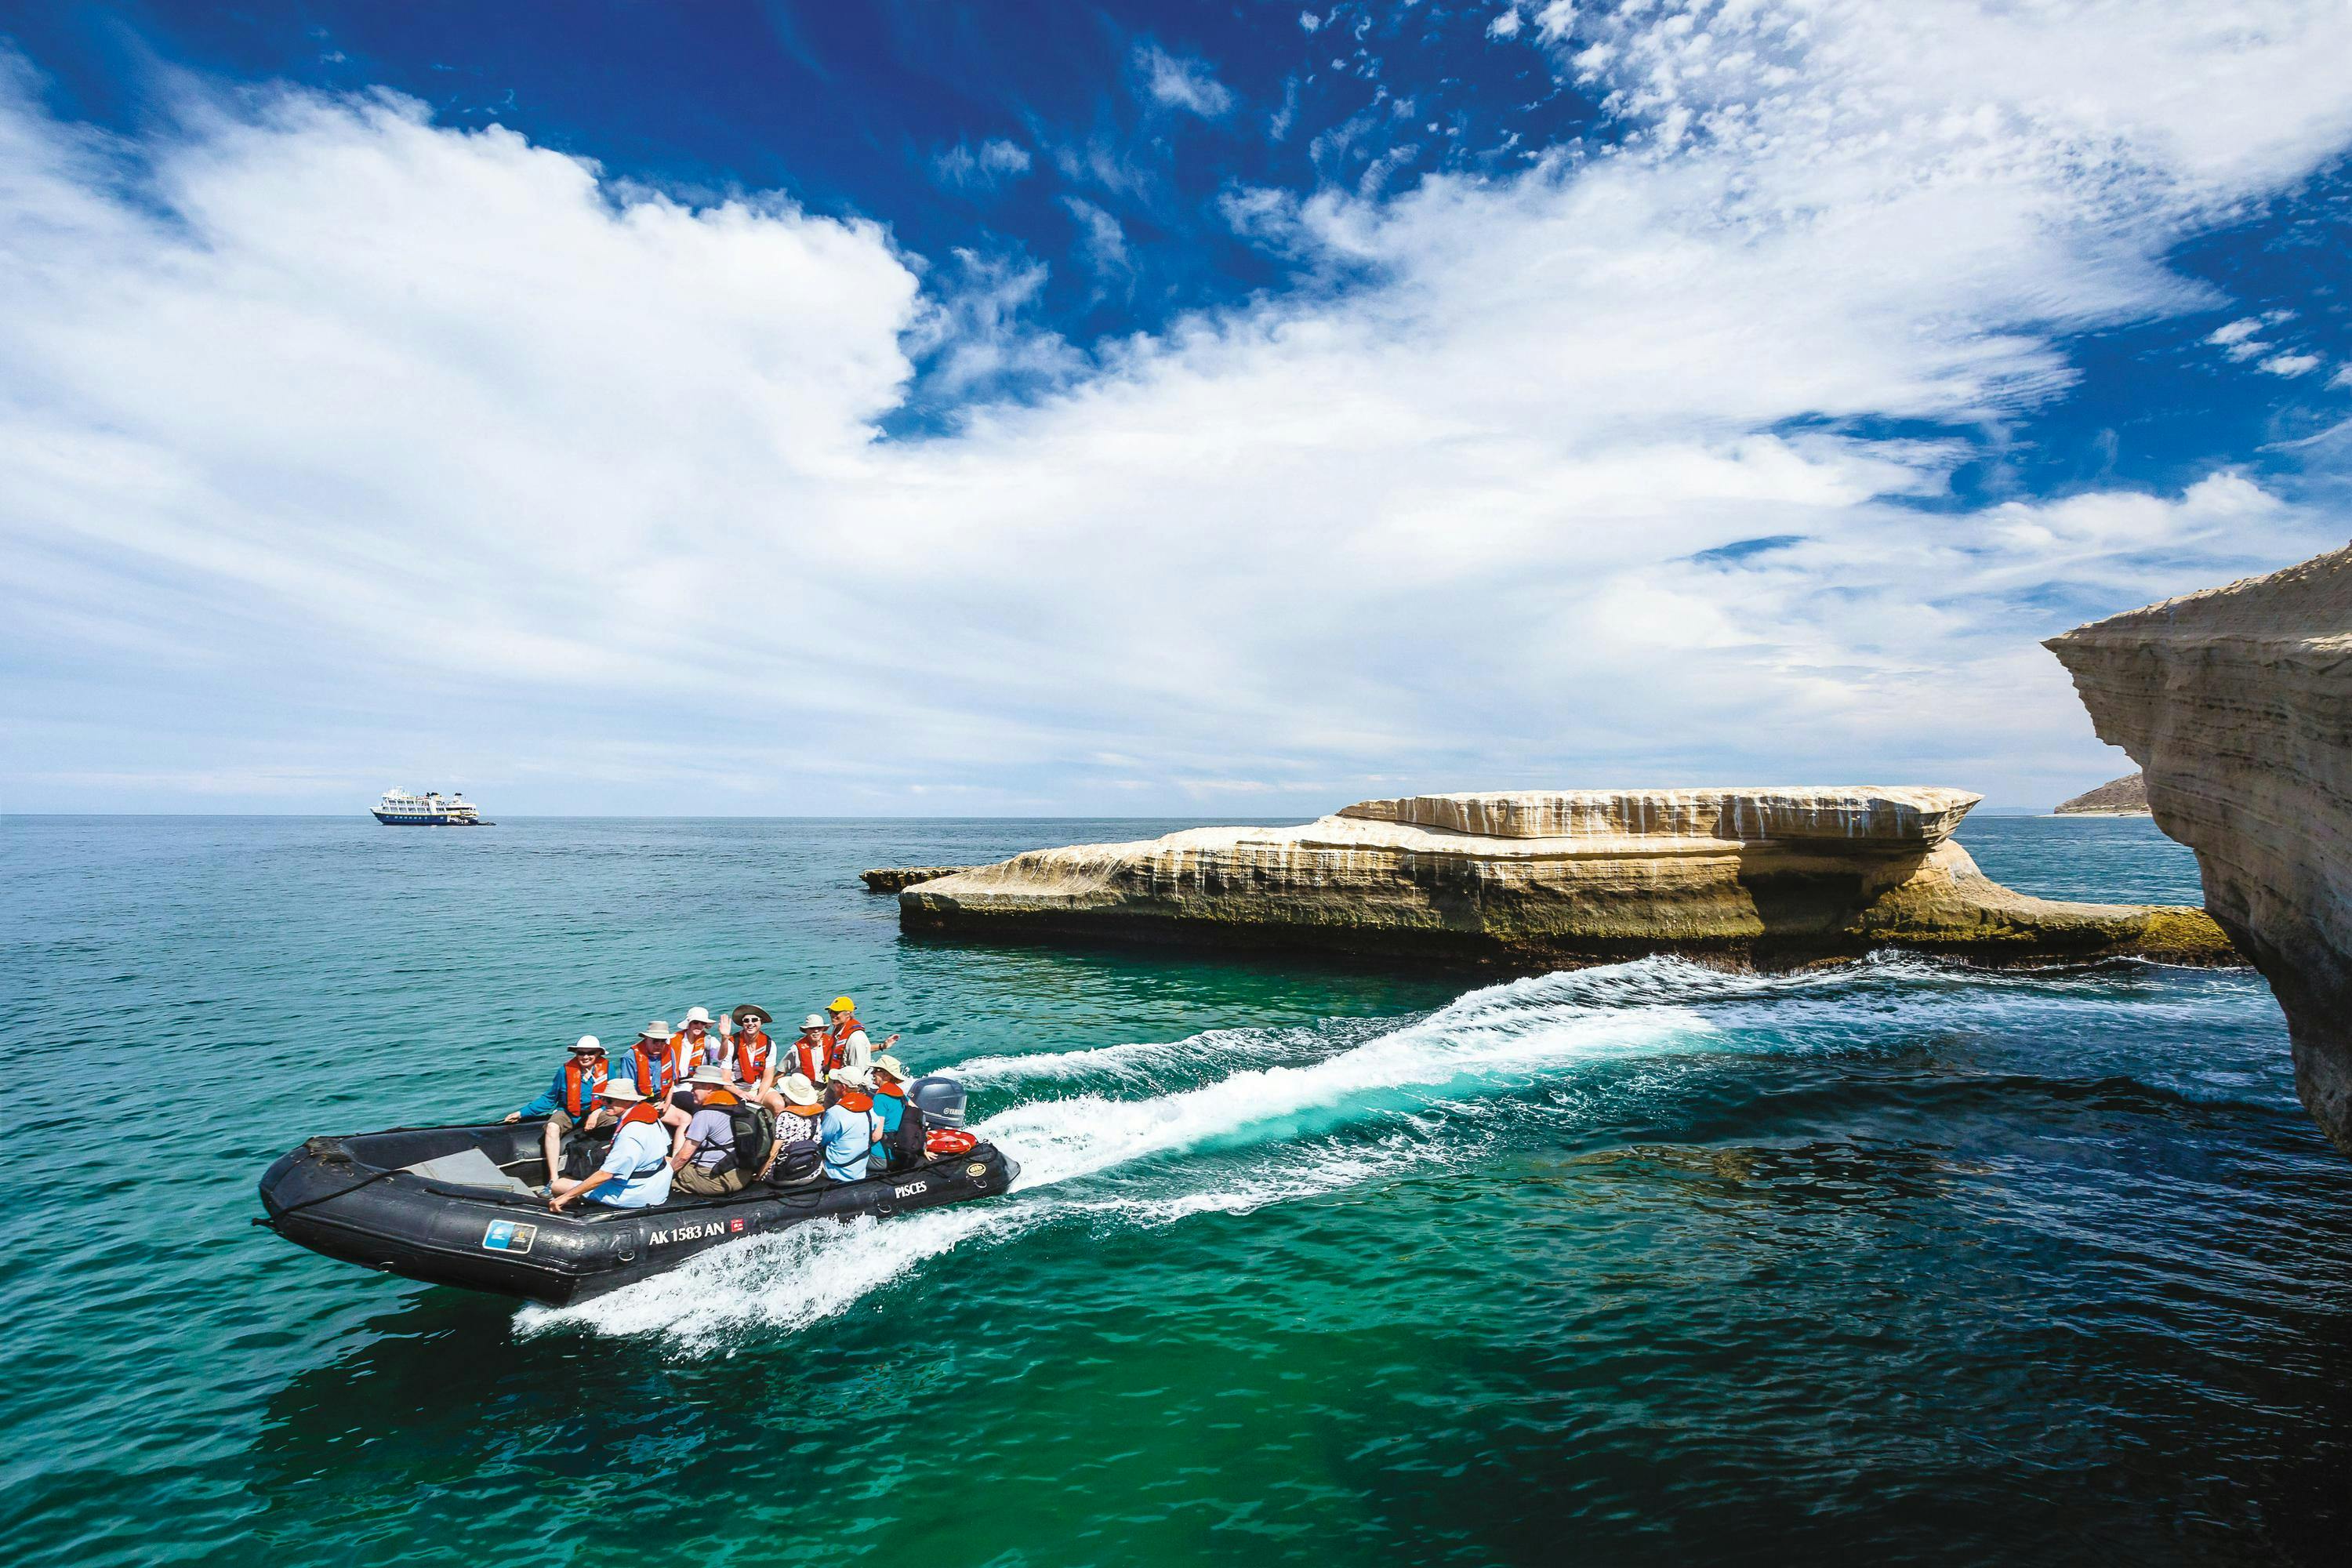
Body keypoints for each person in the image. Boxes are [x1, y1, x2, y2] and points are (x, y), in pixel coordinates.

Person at [503, 1034, 615, 1184]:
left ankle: (608, 1171)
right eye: (581, 1053)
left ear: (598, 1054)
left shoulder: (608, 1068)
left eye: (590, 1053)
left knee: (615, 1123)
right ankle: (553, 1179)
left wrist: (597, 1112)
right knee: (552, 1128)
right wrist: (521, 1113)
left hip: (597, 1110)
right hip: (570, 1113)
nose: (585, 1057)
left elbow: (613, 1096)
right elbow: (549, 1098)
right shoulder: (565, 1071)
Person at [548, 1079, 673, 1210]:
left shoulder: (630, 1133)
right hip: (658, 1185)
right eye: (603, 1099)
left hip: (638, 1193)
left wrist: (566, 1196)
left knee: (558, 1186)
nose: (603, 1103)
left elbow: (605, 1175)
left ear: (627, 1101)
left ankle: (582, 1212)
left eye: (609, 1100)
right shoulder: (650, 1116)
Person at [670, 1064, 755, 1196]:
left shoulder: (704, 1115)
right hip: (741, 1176)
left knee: (665, 1165)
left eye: (695, 1087)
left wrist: (666, 1175)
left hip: (716, 1181)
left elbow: (683, 1157)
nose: (691, 1091)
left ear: (709, 1088)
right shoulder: (737, 1105)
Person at [819, 1066, 886, 1182]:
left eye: (835, 1083)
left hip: (835, 1171)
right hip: (859, 1170)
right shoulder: (869, 1109)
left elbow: (821, 1140)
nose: (833, 1087)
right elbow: (875, 1124)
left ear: (843, 1087)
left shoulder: (835, 1113)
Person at [626, 1021, 695, 1133]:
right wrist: (646, 1108)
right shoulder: (630, 1056)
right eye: (655, 1041)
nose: (659, 1044)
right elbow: (628, 1091)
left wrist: (667, 1104)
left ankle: (677, 1150)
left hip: (661, 1102)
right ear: (646, 1039)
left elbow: (671, 1082)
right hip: (639, 1104)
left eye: (663, 1041)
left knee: (686, 1119)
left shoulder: (669, 1051)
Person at [764, 1071, 827, 1184]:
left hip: (785, 1176)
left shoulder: (785, 1117)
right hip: (811, 1172)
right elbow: (818, 1140)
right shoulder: (815, 1113)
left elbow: (773, 1153)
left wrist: (760, 1174)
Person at [869, 1053, 913, 1167]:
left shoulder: (880, 1099)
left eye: (876, 1070)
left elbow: (876, 1136)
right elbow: (918, 1113)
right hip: (900, 1154)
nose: (872, 1073)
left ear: (886, 1075)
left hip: (881, 1157)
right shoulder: (902, 1096)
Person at [731, 1005, 775, 1087]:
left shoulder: (769, 1044)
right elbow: (725, 1077)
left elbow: (768, 1077)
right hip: (735, 1087)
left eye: (754, 1020)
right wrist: (724, 1039)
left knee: (776, 1100)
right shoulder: (732, 1043)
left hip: (758, 1086)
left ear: (761, 1022)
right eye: (746, 1021)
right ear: (742, 1024)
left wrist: (759, 1097)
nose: (750, 1023)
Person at [786, 1013, 835, 1083]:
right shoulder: (796, 1049)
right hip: (804, 1088)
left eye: (819, 1028)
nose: (816, 1031)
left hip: (827, 1088)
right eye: (812, 1028)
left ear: (823, 1029)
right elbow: (782, 1071)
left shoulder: (832, 1044)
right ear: (806, 1031)